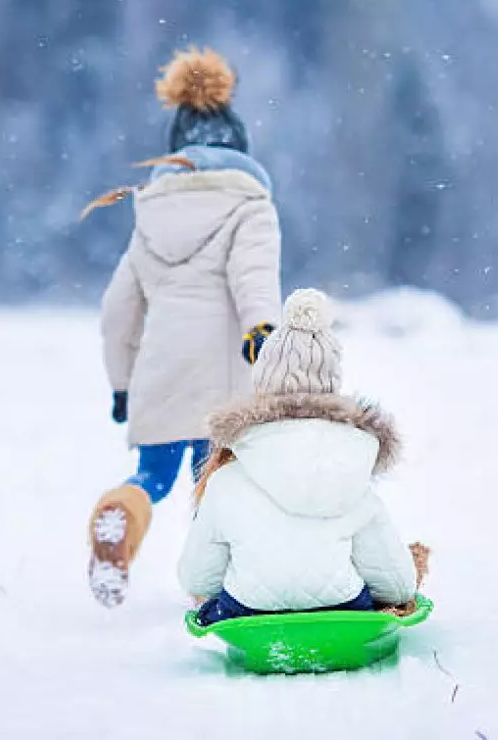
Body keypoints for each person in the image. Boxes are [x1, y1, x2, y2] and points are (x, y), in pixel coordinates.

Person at [83, 46, 283, 608]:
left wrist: (122, 385)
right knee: (216, 485)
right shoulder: (252, 206)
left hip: (161, 371)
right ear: (240, 149)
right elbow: (254, 278)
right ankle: (216, 590)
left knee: (153, 478)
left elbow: (118, 311)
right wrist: (262, 329)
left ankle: (120, 514)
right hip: (223, 376)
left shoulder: (149, 211)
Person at [178, 289, 420, 625]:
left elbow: (196, 579)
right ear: (332, 383)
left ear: (263, 380)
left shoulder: (227, 477)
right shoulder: (352, 467)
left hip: (249, 611)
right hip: (342, 611)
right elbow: (398, 584)